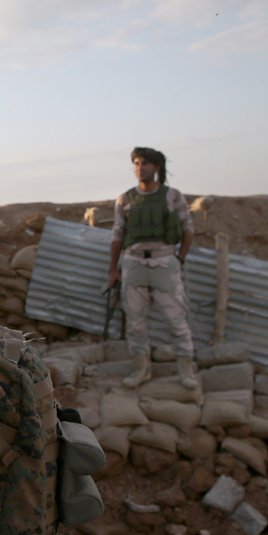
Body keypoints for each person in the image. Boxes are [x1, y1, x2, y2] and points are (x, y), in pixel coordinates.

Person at [105, 147, 198, 389]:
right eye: (136, 163)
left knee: (176, 321)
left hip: (164, 263)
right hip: (134, 263)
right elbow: (117, 235)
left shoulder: (173, 196)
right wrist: (114, 270)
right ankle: (141, 370)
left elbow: (188, 229)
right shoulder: (125, 199)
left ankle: (186, 371)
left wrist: (179, 258)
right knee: (135, 324)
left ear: (157, 167)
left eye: (145, 163)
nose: (139, 167)